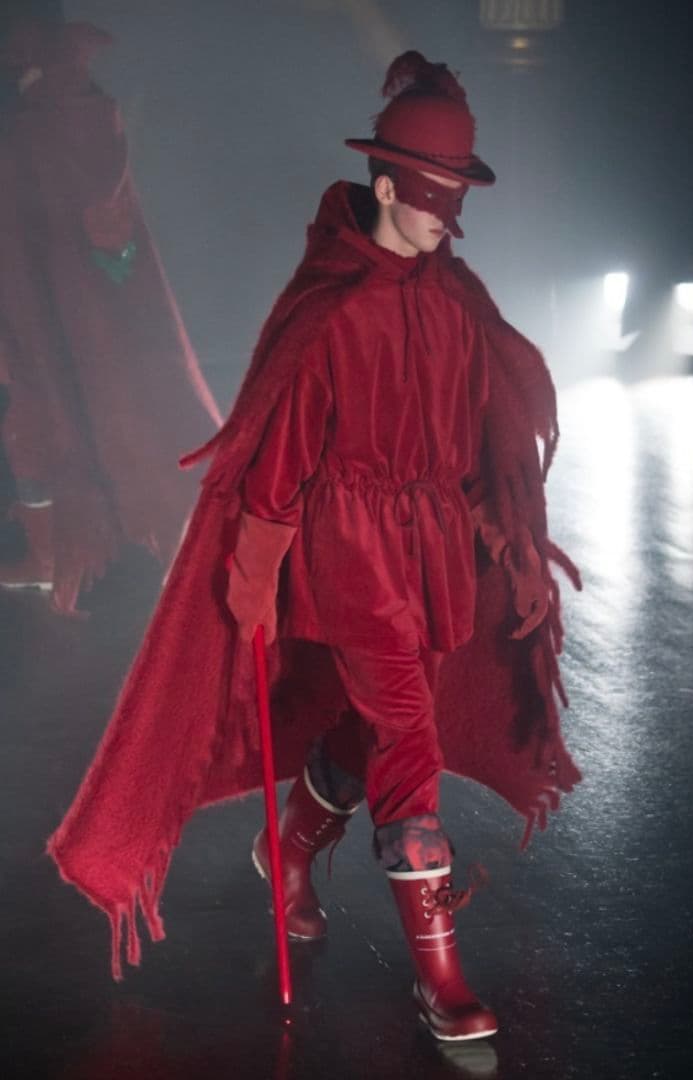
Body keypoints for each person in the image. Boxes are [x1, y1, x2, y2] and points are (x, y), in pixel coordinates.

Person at [48, 52, 582, 1042]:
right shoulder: (332, 310)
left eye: (457, 195)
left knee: (369, 733)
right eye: (433, 194)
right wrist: (255, 570)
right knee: (410, 752)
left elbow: (473, 432)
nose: (446, 217)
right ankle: (441, 982)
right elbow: (279, 457)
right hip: (354, 563)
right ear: (386, 186)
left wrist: (496, 538)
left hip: (431, 560)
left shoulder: (453, 299)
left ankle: (289, 849)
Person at [0, 18, 221, 612]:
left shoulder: (70, 116)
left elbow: (102, 205)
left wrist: (107, 255)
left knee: (121, 414)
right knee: (37, 408)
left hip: (83, 301)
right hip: (46, 294)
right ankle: (54, 551)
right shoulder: (39, 121)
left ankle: (181, 550)